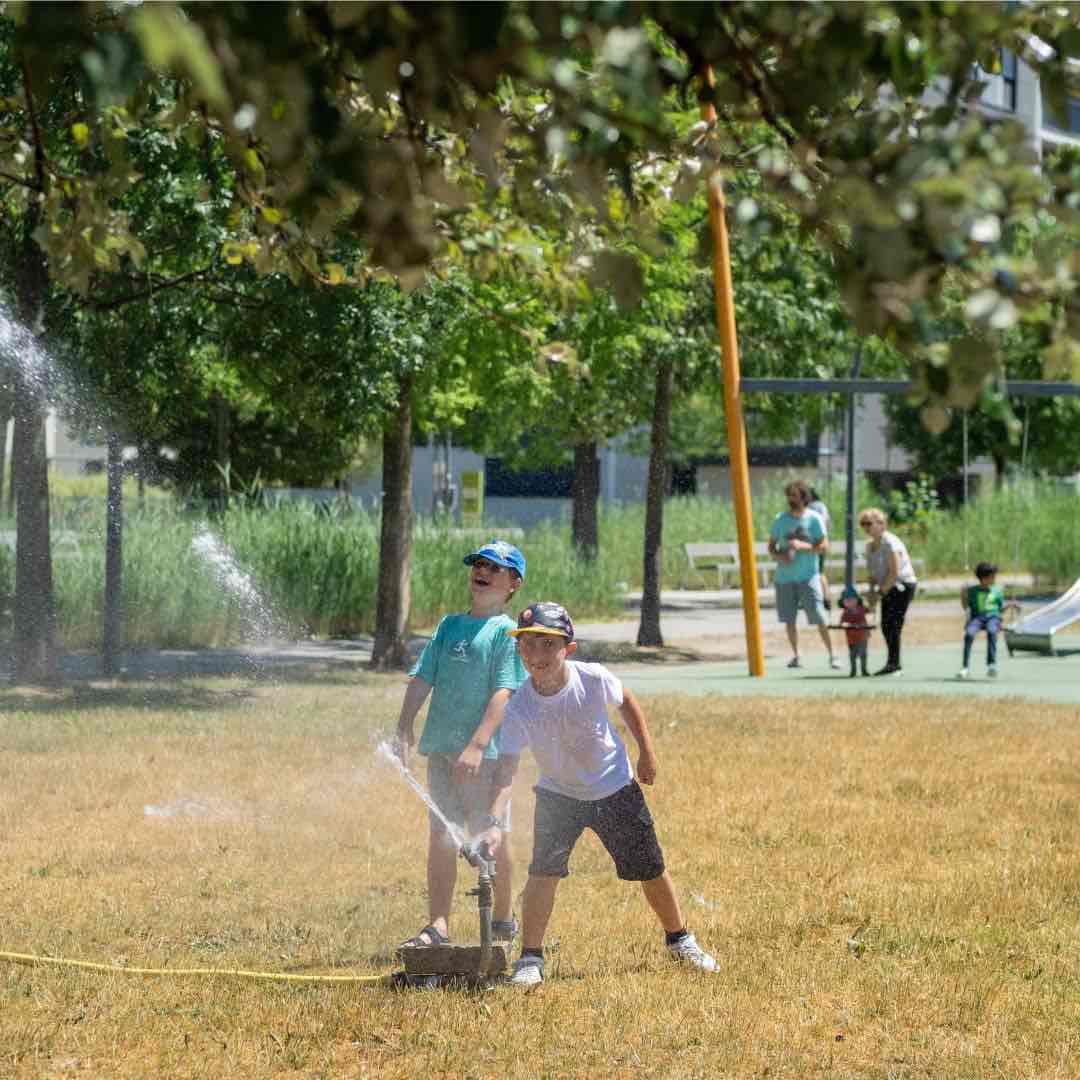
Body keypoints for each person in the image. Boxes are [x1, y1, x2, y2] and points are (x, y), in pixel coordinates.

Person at [470, 601, 718, 986]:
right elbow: (507, 771)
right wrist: (492, 822)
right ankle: (531, 958)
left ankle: (679, 939)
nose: (536, 654)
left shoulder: (592, 678)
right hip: (558, 796)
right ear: (518, 649)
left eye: (548, 644)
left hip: (614, 787)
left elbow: (627, 702)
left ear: (568, 649)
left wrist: (646, 752)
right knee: (543, 873)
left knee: (650, 868)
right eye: (528, 644)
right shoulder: (519, 706)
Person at [394, 539, 527, 953]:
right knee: (442, 836)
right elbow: (422, 677)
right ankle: (438, 925)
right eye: (478, 565)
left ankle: (503, 917)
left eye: (494, 567)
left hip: (486, 758)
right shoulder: (449, 626)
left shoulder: (506, 633)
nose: (482, 572)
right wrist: (404, 725)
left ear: (514, 584)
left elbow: (504, 692)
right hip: (442, 751)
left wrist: (477, 744)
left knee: (491, 838)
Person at [768, 480, 840, 670]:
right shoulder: (780, 520)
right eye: (788, 495)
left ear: (804, 497)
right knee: (789, 619)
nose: (790, 499)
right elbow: (771, 547)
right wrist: (780, 556)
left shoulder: (814, 519)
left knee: (819, 616)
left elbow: (824, 546)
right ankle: (797, 656)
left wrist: (803, 546)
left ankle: (833, 655)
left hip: (809, 577)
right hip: (784, 578)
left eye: (794, 495)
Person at [859, 507, 918, 676]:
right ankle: (892, 663)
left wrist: (878, 594)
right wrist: (872, 594)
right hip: (886, 588)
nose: (866, 527)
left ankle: (895, 665)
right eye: (863, 524)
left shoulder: (891, 542)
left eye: (869, 523)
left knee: (894, 624)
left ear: (881, 524)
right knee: (886, 625)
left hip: (902, 586)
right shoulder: (869, 546)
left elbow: (894, 572)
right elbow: (872, 575)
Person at [957, 562, 1017, 680]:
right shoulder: (972, 591)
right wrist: (963, 596)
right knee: (969, 634)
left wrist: (1010, 605)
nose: (994, 579)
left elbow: (1000, 609)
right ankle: (965, 667)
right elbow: (965, 607)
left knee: (992, 631)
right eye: (992, 576)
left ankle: (991, 665)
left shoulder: (997, 591)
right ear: (983, 578)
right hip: (977, 618)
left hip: (993, 618)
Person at [837, 585, 872, 678]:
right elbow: (842, 623)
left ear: (857, 600)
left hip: (863, 635)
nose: (850, 602)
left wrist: (869, 599)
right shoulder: (845, 613)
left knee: (863, 653)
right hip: (851, 638)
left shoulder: (862, 609)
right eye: (847, 600)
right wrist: (845, 624)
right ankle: (853, 670)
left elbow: (871, 609)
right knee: (853, 655)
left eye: (852, 599)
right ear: (843, 602)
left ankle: (864, 670)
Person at [807, 487, 833, 611]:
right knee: (820, 572)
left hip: (813, 544)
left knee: (816, 572)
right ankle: (825, 598)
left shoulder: (812, 507)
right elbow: (827, 525)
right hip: (822, 541)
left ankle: (823, 598)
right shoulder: (822, 506)